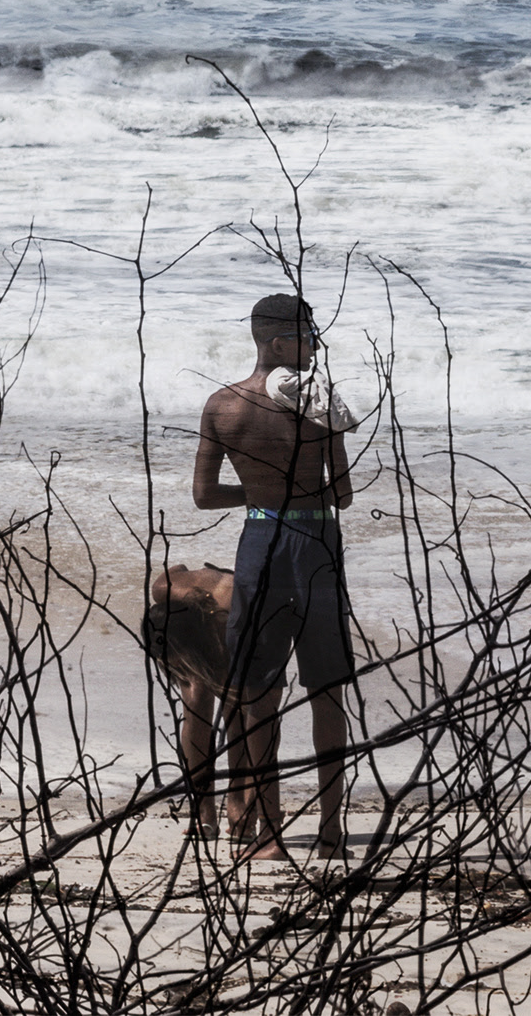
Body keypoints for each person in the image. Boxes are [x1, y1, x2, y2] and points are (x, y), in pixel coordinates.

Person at [192, 291, 356, 861]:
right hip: (316, 544)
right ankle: (331, 831)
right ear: (280, 343)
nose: (315, 348)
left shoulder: (222, 405)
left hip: (261, 541)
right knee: (327, 691)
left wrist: (262, 494)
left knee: (259, 693)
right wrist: (305, 483)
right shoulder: (317, 403)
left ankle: (268, 833)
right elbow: (342, 494)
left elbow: (204, 496)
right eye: (308, 337)